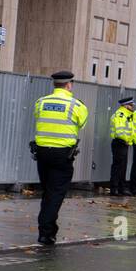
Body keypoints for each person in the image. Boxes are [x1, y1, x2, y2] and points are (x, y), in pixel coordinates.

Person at [32, 71, 89, 246]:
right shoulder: (76, 105)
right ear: (69, 85)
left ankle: (48, 228)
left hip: (42, 153)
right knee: (55, 194)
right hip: (62, 155)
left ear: (55, 84)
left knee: (48, 191)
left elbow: (37, 117)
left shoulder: (41, 102)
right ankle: (45, 231)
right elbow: (82, 123)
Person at [108, 97, 136, 196]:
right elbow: (119, 131)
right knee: (117, 167)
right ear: (126, 105)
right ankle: (114, 189)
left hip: (125, 143)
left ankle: (121, 188)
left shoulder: (128, 115)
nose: (133, 107)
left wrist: (134, 142)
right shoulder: (120, 115)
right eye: (131, 105)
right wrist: (126, 140)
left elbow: (132, 131)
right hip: (120, 142)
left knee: (123, 167)